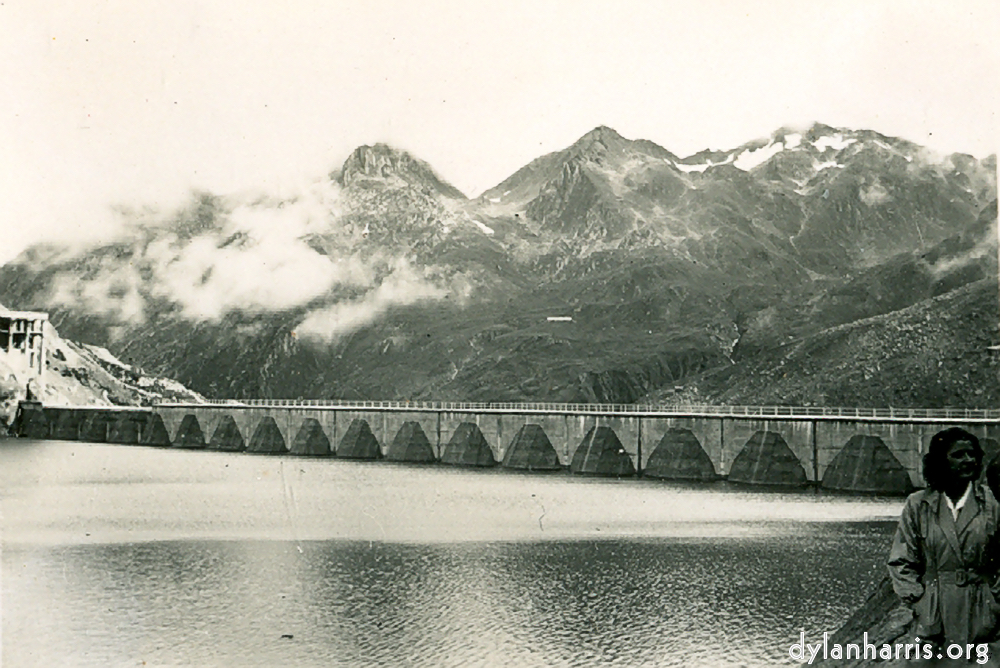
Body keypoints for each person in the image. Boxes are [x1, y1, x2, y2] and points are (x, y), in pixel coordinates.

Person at [888, 427, 1000, 651]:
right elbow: (901, 562)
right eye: (958, 455)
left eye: (972, 454)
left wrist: (994, 599)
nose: (967, 460)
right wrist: (919, 603)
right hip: (933, 618)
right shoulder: (918, 504)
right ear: (941, 461)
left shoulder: (993, 503)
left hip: (982, 615)